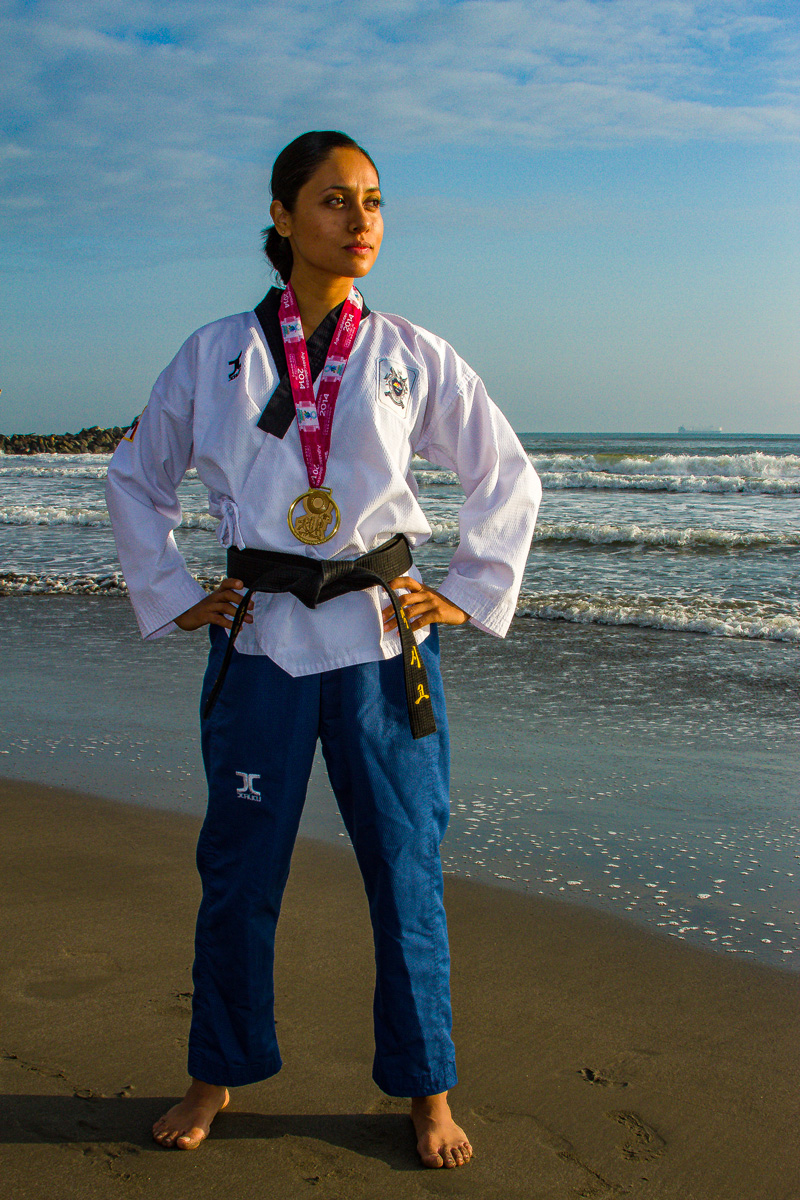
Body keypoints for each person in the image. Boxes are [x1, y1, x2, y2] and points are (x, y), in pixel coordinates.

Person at [105, 130, 541, 1170]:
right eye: (336, 201)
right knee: (240, 869)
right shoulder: (215, 355)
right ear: (282, 216)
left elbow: (506, 475)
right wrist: (173, 592)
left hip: (379, 642)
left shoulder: (408, 354)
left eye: (374, 203)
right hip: (260, 643)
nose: (360, 222)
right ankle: (217, 1069)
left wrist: (466, 591)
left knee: (403, 868)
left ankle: (426, 1087)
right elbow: (135, 478)